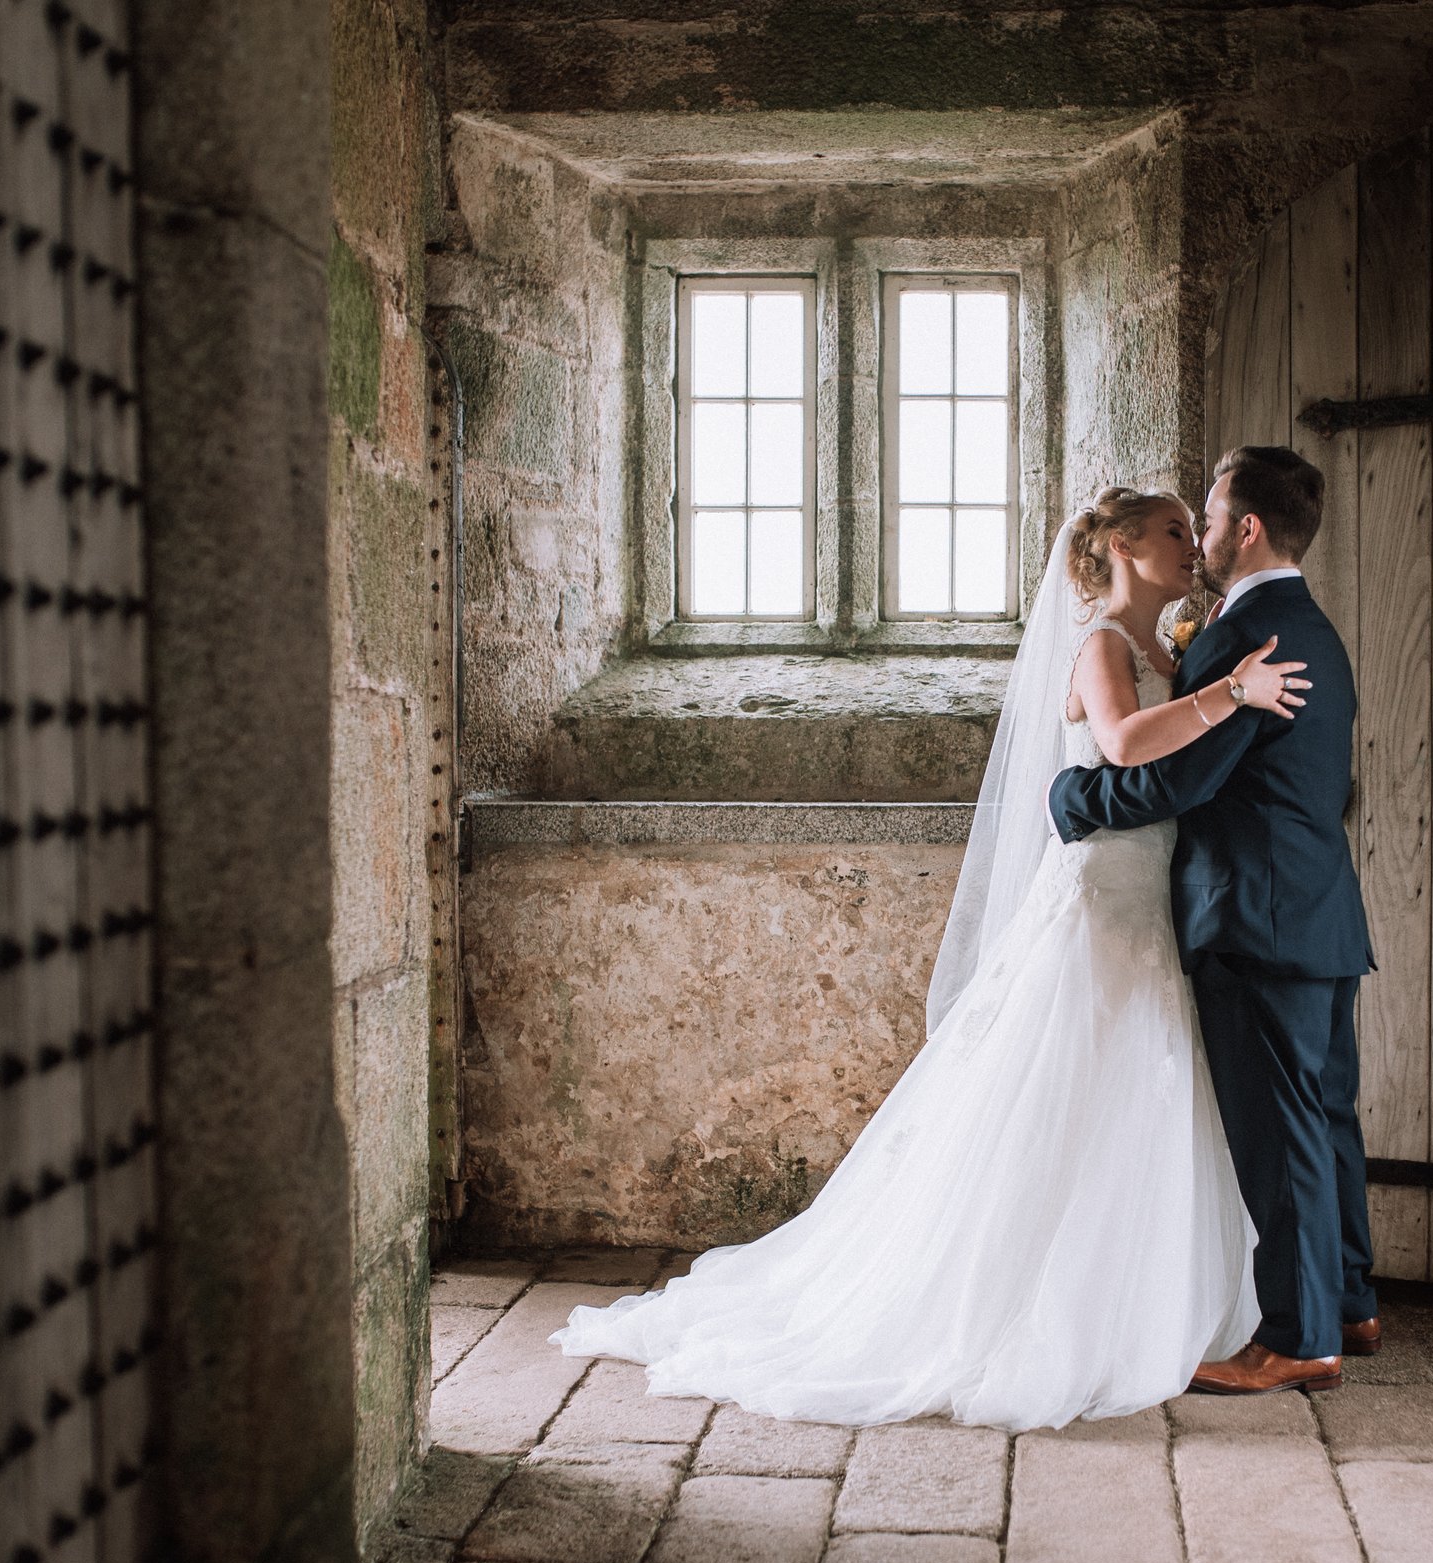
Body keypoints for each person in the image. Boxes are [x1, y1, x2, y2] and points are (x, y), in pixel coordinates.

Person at [550, 487, 1313, 1429]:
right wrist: (1233, 693)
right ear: (1119, 544)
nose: (1187, 544)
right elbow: (1118, 744)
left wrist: (1212, 684)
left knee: (1135, 1096)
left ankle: (1124, 1299)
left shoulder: (1168, 648)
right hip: (1099, 904)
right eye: (1167, 529)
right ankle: (1012, 1310)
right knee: (1058, 1094)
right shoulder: (1105, 645)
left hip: (1151, 902)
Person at [1048, 446, 1379, 1395]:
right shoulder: (1314, 628)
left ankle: (1297, 1337)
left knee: (1284, 1134)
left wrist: (1070, 802)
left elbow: (1180, 777)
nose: (1196, 535)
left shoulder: (1248, 638)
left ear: (1246, 528)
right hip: (1317, 910)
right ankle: (1351, 1304)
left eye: (1207, 515)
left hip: (1254, 916)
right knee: (1326, 1118)